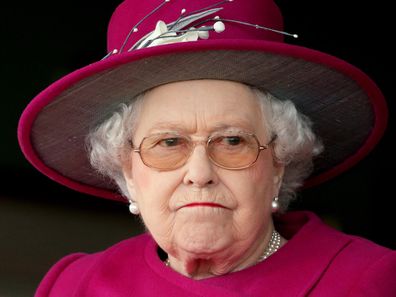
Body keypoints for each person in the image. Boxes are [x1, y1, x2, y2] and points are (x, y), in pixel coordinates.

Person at [17, 0, 396, 296]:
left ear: (279, 164)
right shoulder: (74, 286)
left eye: (232, 141)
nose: (199, 174)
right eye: (168, 143)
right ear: (128, 171)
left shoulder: (371, 281)